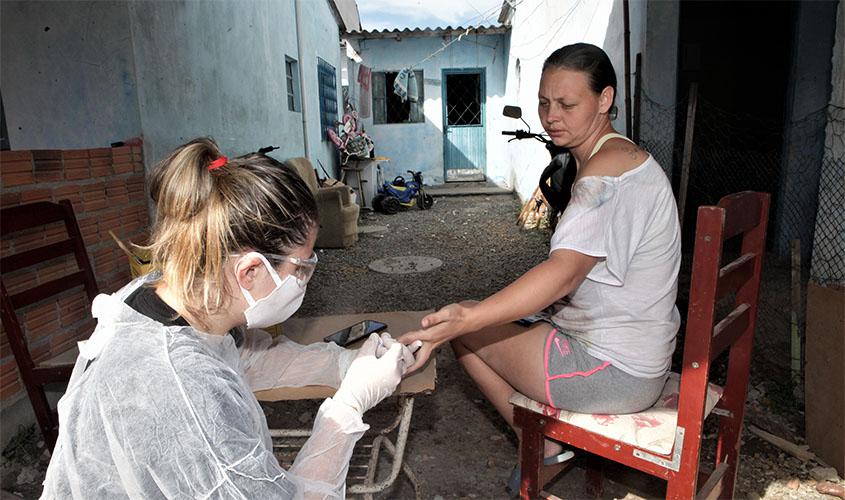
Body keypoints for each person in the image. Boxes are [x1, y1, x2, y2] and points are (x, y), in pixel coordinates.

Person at [41, 138, 415, 499]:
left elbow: (246, 361)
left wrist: (347, 364)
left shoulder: (177, 294)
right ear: (250, 271)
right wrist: (348, 406)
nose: (305, 279)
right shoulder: (181, 394)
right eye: (302, 267)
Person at [401, 42, 681, 488]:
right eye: (545, 103)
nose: (552, 116)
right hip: (637, 352)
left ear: (605, 99)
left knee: (467, 329)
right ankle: (545, 444)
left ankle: (540, 446)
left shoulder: (603, 179)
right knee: (488, 314)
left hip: (614, 371)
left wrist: (466, 316)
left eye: (568, 104)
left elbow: (564, 272)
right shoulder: (628, 157)